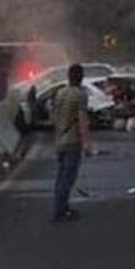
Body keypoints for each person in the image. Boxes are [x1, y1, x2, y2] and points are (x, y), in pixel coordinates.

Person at [51, 64, 92, 222]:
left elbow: (54, 117)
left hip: (59, 140)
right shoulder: (80, 95)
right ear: (81, 77)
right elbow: (82, 120)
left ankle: (61, 207)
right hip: (72, 141)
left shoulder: (60, 93)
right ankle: (61, 211)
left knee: (61, 176)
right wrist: (87, 143)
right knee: (68, 178)